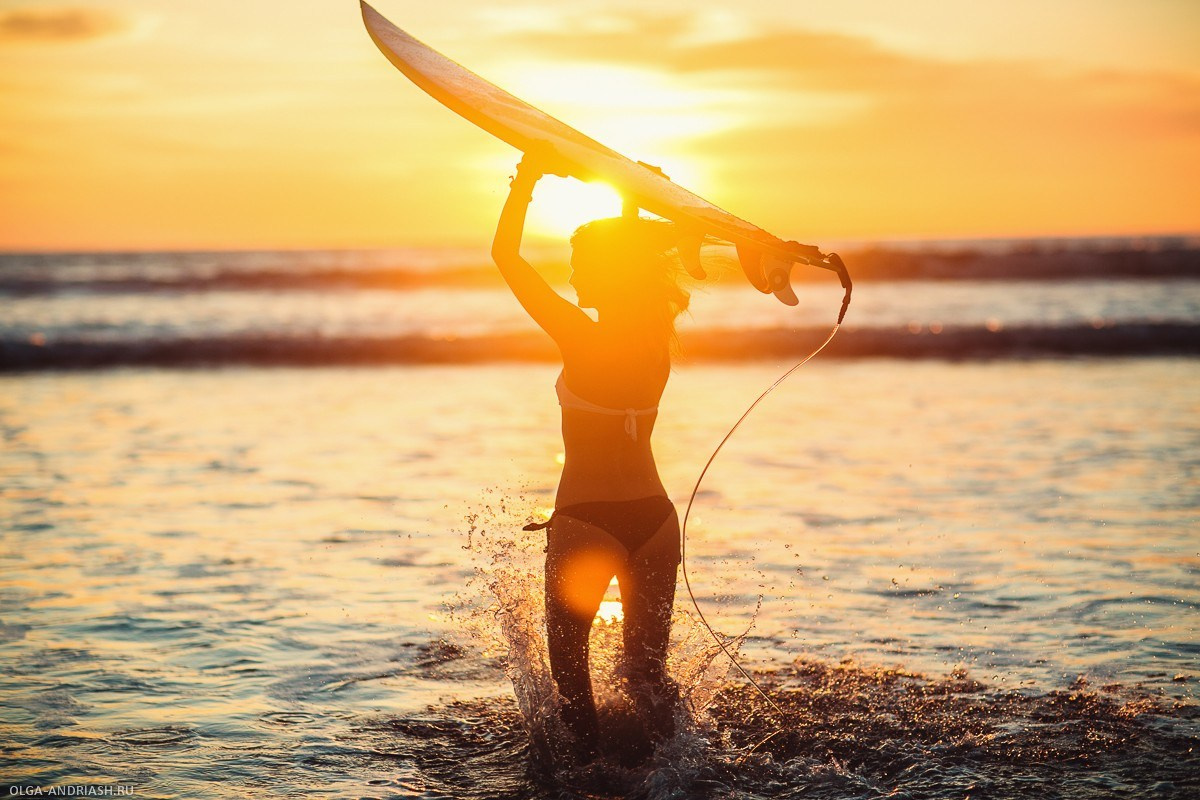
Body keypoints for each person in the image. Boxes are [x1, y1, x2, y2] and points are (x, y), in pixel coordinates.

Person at [491, 153, 690, 762]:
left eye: (581, 264)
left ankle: (585, 781)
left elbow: (506, 258)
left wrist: (525, 180)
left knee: (573, 696)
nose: (575, 276)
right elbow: (633, 253)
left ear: (610, 271)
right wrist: (634, 197)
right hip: (656, 522)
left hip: (587, 522)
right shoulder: (659, 332)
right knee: (648, 683)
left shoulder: (583, 337)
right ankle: (672, 778)